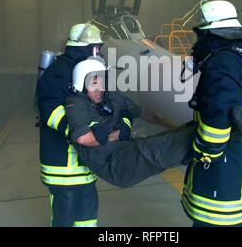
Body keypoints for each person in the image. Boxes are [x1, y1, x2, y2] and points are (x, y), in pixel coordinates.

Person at [181, 0, 242, 227]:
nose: (198, 43)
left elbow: (219, 111)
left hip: (226, 170)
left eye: (201, 36)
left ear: (211, 33)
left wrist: (203, 150)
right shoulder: (241, 55)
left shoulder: (223, 60)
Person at [65, 58, 196, 189]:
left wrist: (174, 128)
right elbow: (83, 139)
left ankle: (199, 137)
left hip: (127, 149)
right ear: (81, 84)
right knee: (158, 149)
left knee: (169, 137)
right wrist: (114, 136)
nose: (100, 89)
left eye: (102, 82)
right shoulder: (76, 103)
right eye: (94, 83)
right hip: (113, 164)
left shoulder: (112, 98)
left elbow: (147, 114)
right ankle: (204, 142)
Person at [36, 23, 104, 227]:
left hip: (84, 167)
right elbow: (51, 111)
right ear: (89, 48)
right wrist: (80, 131)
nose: (100, 52)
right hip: (61, 168)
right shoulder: (58, 72)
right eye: (98, 47)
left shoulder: (90, 70)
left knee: (87, 218)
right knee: (64, 217)